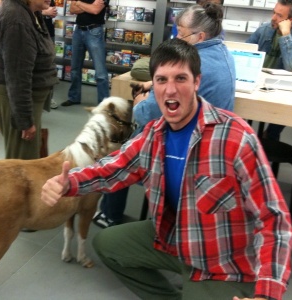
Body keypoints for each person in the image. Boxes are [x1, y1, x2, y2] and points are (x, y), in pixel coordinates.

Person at [41, 38, 292, 300]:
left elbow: (274, 219)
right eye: (161, 80)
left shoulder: (236, 137)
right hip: (173, 239)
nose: (170, 90)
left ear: (197, 82)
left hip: (222, 262)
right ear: (153, 87)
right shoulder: (153, 134)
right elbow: (113, 168)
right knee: (108, 244)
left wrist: (267, 293)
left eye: (180, 79)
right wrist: (68, 182)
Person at [93, 3, 236, 228]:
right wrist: (156, 82)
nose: (177, 38)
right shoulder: (222, 53)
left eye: (181, 33)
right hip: (210, 142)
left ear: (200, 36)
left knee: (120, 149)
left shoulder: (190, 63)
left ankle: (110, 215)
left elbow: (147, 114)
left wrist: (140, 101)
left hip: (181, 145)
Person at [0, 0, 59, 159]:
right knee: (21, 166)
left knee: (26, 160)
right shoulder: (17, 20)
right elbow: (18, 78)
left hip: (24, 97)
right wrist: (24, 120)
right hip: (15, 98)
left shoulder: (30, 13)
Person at [246, 0, 292, 141]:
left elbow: (291, 65)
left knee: (284, 113)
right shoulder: (264, 29)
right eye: (274, 12)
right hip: (257, 84)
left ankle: (269, 141)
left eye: (279, 15)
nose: (273, 18)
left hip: (280, 90)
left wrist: (285, 36)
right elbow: (245, 51)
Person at [61, 0, 110, 106]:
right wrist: (88, 6)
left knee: (100, 72)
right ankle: (74, 97)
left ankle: (104, 104)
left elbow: (95, 10)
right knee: (74, 68)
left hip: (94, 31)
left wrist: (79, 3)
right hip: (78, 31)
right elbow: (72, 9)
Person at [43, 0, 59, 109]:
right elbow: (25, 10)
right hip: (34, 31)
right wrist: (44, 12)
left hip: (49, 33)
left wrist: (47, 12)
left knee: (50, 66)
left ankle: (49, 98)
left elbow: (52, 11)